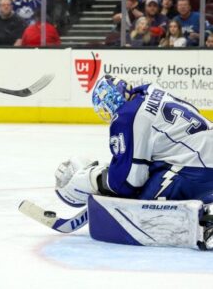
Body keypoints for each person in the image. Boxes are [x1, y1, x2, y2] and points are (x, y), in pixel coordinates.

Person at [54, 74, 213, 248]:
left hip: (198, 167)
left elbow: (129, 182)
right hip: (200, 155)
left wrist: (95, 180)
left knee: (142, 205)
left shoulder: (126, 116)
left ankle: (207, 221)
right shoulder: (152, 91)